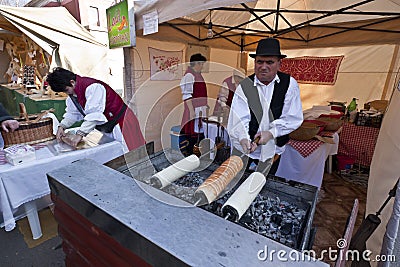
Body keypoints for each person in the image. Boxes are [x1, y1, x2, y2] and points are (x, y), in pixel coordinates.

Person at [227, 38, 303, 176]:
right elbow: (238, 118)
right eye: (259, 61)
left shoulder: (289, 84)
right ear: (255, 62)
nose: (263, 66)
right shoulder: (245, 86)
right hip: (247, 151)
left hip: (273, 152)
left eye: (270, 62)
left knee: (264, 183)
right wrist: (243, 138)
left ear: (279, 64)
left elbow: (293, 118)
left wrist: (271, 132)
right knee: (240, 184)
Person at [46, 67, 145, 151]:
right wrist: (62, 126)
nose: (68, 94)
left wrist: (80, 134)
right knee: (114, 153)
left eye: (67, 90)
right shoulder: (73, 95)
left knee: (130, 153)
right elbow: (73, 113)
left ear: (72, 82)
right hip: (108, 127)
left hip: (122, 122)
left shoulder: (93, 87)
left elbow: (94, 115)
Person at [179, 53, 208, 155]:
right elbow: (187, 95)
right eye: (201, 64)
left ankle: (198, 155)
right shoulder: (189, 76)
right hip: (194, 110)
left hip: (200, 110)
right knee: (192, 136)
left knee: (199, 135)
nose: (202, 66)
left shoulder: (198, 75)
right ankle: (191, 156)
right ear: (196, 63)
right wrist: (191, 111)